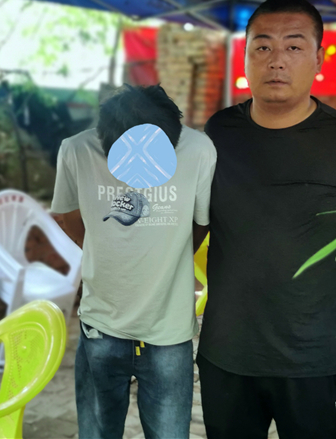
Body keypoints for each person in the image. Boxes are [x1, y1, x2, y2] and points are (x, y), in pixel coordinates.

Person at [197, 0, 336, 439]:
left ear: (318, 59)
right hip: (226, 354)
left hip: (312, 358)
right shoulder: (219, 132)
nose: (276, 60)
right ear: (245, 57)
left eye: (293, 46)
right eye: (263, 46)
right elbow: (196, 223)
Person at [51, 84, 216, 439]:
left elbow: (201, 223)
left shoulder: (198, 149)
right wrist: (102, 245)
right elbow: (65, 214)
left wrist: (171, 255)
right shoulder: (77, 150)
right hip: (101, 326)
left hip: (169, 332)